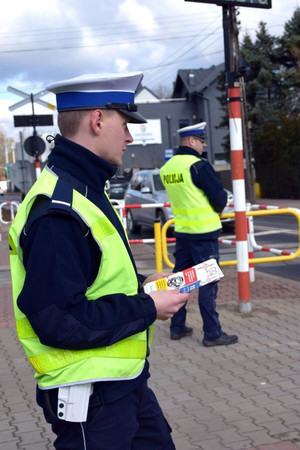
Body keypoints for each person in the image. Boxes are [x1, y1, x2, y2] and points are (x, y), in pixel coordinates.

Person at [9, 72, 190, 450]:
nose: (129, 137)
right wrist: (147, 306)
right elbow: (61, 320)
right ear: (97, 121)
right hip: (90, 397)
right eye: (125, 125)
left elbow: (91, 278)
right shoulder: (58, 209)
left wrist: (142, 285)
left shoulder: (84, 189)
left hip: (123, 385)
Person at [160, 122, 238, 347]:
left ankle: (177, 327)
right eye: (202, 141)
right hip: (204, 233)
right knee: (208, 283)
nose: (204, 145)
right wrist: (219, 205)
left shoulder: (169, 167)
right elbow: (219, 197)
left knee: (180, 281)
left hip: (183, 232)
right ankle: (212, 333)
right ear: (191, 141)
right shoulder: (198, 165)